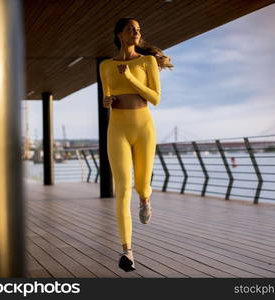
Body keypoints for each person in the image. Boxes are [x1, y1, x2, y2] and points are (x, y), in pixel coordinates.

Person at [99, 17, 173, 272]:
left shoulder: (147, 61)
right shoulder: (106, 65)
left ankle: (145, 198)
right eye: (131, 29)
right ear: (120, 34)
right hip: (117, 129)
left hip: (143, 128)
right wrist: (107, 102)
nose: (136, 33)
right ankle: (127, 250)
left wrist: (130, 78)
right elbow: (107, 96)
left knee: (141, 185)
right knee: (122, 188)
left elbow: (155, 98)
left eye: (139, 29)